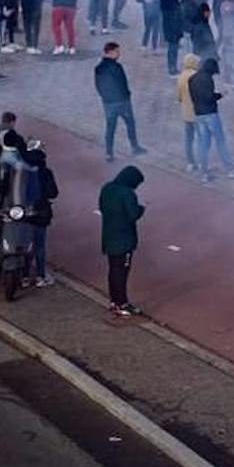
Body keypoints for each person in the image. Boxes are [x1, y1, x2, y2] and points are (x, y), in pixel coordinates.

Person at [98, 166, 145, 316]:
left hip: (109, 235)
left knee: (113, 270)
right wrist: (141, 209)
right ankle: (122, 302)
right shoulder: (128, 193)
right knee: (122, 272)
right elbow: (133, 214)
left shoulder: (107, 188)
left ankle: (114, 301)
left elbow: (102, 207)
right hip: (124, 238)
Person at [188, 56, 234, 183]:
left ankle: (204, 173)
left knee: (203, 144)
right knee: (220, 141)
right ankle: (230, 170)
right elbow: (209, 97)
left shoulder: (192, 78)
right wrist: (221, 95)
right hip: (210, 114)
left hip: (198, 114)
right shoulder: (207, 79)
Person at [94, 42, 146, 162]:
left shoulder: (98, 68)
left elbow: (98, 85)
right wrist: (126, 95)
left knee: (110, 127)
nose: (119, 54)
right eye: (117, 51)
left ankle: (109, 152)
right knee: (130, 124)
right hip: (121, 101)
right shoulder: (117, 67)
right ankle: (134, 147)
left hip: (108, 103)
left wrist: (105, 97)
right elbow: (122, 83)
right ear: (111, 52)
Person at [22, 143, 59, 288]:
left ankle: (24, 276)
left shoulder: (20, 171)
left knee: (25, 244)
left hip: (22, 213)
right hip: (41, 213)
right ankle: (40, 276)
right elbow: (53, 193)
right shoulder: (46, 172)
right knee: (40, 245)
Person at [175, 53, 201, 174]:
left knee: (188, 139)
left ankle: (190, 163)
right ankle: (201, 162)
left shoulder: (181, 77)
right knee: (201, 139)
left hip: (186, 113)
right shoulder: (198, 76)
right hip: (198, 113)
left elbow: (179, 97)